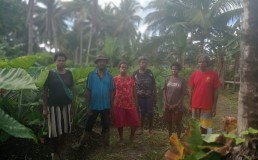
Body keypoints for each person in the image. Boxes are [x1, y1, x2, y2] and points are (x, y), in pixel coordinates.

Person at [72, 54, 114, 149]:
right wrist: (87, 106)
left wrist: (112, 106)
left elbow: (111, 91)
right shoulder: (91, 75)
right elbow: (88, 91)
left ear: (105, 63)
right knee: (88, 126)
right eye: (100, 61)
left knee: (106, 127)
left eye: (103, 61)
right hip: (93, 105)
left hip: (105, 106)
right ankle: (80, 145)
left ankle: (106, 146)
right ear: (97, 63)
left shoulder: (109, 76)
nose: (102, 63)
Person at [43, 52, 74, 159]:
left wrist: (72, 108)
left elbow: (71, 91)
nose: (61, 62)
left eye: (63, 60)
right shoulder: (50, 74)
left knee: (65, 129)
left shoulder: (69, 73)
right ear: (55, 62)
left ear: (65, 62)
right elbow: (45, 91)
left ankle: (61, 150)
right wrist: (44, 108)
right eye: (59, 60)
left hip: (66, 106)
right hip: (53, 106)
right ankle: (55, 152)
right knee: (55, 131)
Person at [189, 54, 221, 134]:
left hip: (207, 106)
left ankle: (206, 143)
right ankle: (196, 144)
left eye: (204, 62)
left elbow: (216, 91)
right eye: (199, 62)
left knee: (206, 127)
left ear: (207, 63)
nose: (201, 64)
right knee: (195, 127)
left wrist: (214, 106)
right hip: (195, 105)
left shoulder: (213, 74)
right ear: (197, 63)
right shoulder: (194, 74)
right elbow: (191, 90)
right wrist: (190, 104)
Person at [113, 61, 139, 146]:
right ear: (119, 68)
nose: (124, 69)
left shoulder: (131, 78)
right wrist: (111, 102)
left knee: (135, 121)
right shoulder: (115, 79)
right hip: (118, 103)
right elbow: (112, 92)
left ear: (127, 69)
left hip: (130, 103)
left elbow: (134, 91)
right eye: (122, 67)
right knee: (120, 122)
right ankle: (121, 139)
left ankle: (132, 136)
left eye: (125, 67)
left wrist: (136, 101)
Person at [133, 56, 157, 134]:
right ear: (139, 63)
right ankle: (141, 128)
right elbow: (132, 86)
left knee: (150, 112)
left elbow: (154, 84)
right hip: (139, 97)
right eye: (142, 62)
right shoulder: (135, 73)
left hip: (149, 96)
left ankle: (151, 128)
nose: (143, 64)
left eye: (145, 62)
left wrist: (155, 95)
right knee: (141, 113)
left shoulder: (149, 72)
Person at [163, 62, 187, 138]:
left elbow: (183, 93)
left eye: (176, 69)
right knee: (169, 121)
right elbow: (165, 91)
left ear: (178, 70)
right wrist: (166, 102)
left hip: (177, 105)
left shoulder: (182, 80)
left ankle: (179, 137)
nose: (174, 70)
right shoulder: (167, 79)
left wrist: (177, 104)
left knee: (177, 122)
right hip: (168, 104)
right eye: (172, 69)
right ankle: (170, 136)